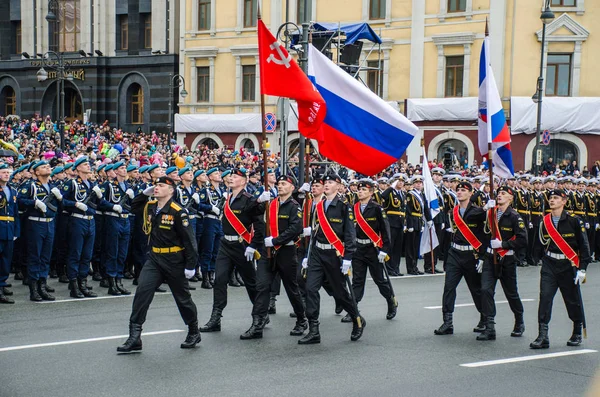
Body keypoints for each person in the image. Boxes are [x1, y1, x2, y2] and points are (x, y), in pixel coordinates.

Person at [117, 176, 201, 353]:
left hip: (174, 260)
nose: (156, 188)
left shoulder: (178, 211)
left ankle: (193, 330)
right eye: (155, 185)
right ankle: (134, 337)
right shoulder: (151, 207)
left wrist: (191, 265)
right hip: (155, 259)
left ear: (171, 190)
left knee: (182, 298)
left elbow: (189, 240)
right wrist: (143, 194)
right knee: (142, 293)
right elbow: (133, 207)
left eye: (161, 186)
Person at [200, 169, 270, 339]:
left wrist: (253, 246)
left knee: (251, 282)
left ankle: (261, 315)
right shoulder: (228, 198)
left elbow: (259, 226)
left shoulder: (249, 200)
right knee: (220, 280)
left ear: (244, 181)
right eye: (230, 176)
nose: (231, 178)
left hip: (242, 245)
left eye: (236, 177)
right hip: (226, 244)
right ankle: (216, 318)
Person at [299, 172, 365, 344]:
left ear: (338, 185)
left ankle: (356, 319)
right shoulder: (318, 205)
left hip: (335, 255)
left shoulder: (344, 206)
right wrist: (307, 254)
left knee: (340, 293)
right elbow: (314, 233)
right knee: (311, 289)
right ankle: (314, 329)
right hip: (317, 254)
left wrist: (348, 258)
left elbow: (350, 234)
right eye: (325, 182)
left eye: (330, 182)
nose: (326, 184)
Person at [530, 189, 591, 349]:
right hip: (550, 264)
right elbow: (540, 244)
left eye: (556, 198)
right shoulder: (545, 221)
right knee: (545, 298)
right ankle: (543, 335)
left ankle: (577, 331)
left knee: (572, 299)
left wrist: (582, 269)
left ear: (564, 201)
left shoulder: (574, 221)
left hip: (568, 265)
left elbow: (584, 247)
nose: (552, 200)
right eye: (550, 198)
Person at [435, 181, 488, 336]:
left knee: (476, 289)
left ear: (471, 193)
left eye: (464, 190)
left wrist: (483, 257)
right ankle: (447, 322)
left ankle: (485, 319)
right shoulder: (453, 211)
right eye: (458, 190)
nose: (459, 192)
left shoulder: (479, 212)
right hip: (455, 254)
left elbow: (485, 235)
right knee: (449, 288)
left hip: (472, 254)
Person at [478, 186, 527, 341]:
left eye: (504, 194)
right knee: (485, 290)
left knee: (511, 293)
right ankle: (490, 326)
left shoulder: (514, 216)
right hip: (490, 258)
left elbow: (522, 239)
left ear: (511, 198)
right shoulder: (491, 213)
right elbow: (483, 234)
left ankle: (519, 321)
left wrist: (503, 244)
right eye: (498, 193)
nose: (500, 195)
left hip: (507, 259)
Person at [343, 179, 396, 322]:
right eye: (359, 190)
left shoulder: (377, 208)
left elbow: (385, 231)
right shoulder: (353, 208)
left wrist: (384, 250)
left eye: (364, 190)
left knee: (380, 280)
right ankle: (353, 310)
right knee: (357, 281)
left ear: (371, 192)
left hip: (373, 249)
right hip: (358, 249)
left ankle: (391, 301)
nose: (360, 192)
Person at [262, 175, 307, 335]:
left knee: (291, 288)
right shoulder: (271, 204)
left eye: (284, 184)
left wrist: (275, 240)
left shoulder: (294, 206)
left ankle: (302, 320)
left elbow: (295, 229)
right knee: (263, 286)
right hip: (271, 251)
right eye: (279, 184)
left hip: (286, 251)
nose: (280, 186)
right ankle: (259, 319)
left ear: (292, 188)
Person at [18, 161, 60, 301]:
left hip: (49, 224)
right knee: (35, 257)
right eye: (43, 167)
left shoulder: (52, 187)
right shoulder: (31, 186)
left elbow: (62, 206)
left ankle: (43, 285)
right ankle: (34, 289)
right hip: (35, 224)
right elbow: (19, 200)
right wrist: (34, 202)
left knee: (45, 257)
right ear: (36, 172)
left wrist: (60, 198)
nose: (47, 167)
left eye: (48, 166)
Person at [0, 164, 19, 304]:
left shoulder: (12, 190)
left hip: (9, 228)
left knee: (6, 259)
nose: (7, 174)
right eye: (3, 172)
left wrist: (16, 231)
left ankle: (2, 285)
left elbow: (15, 213)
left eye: (8, 172)